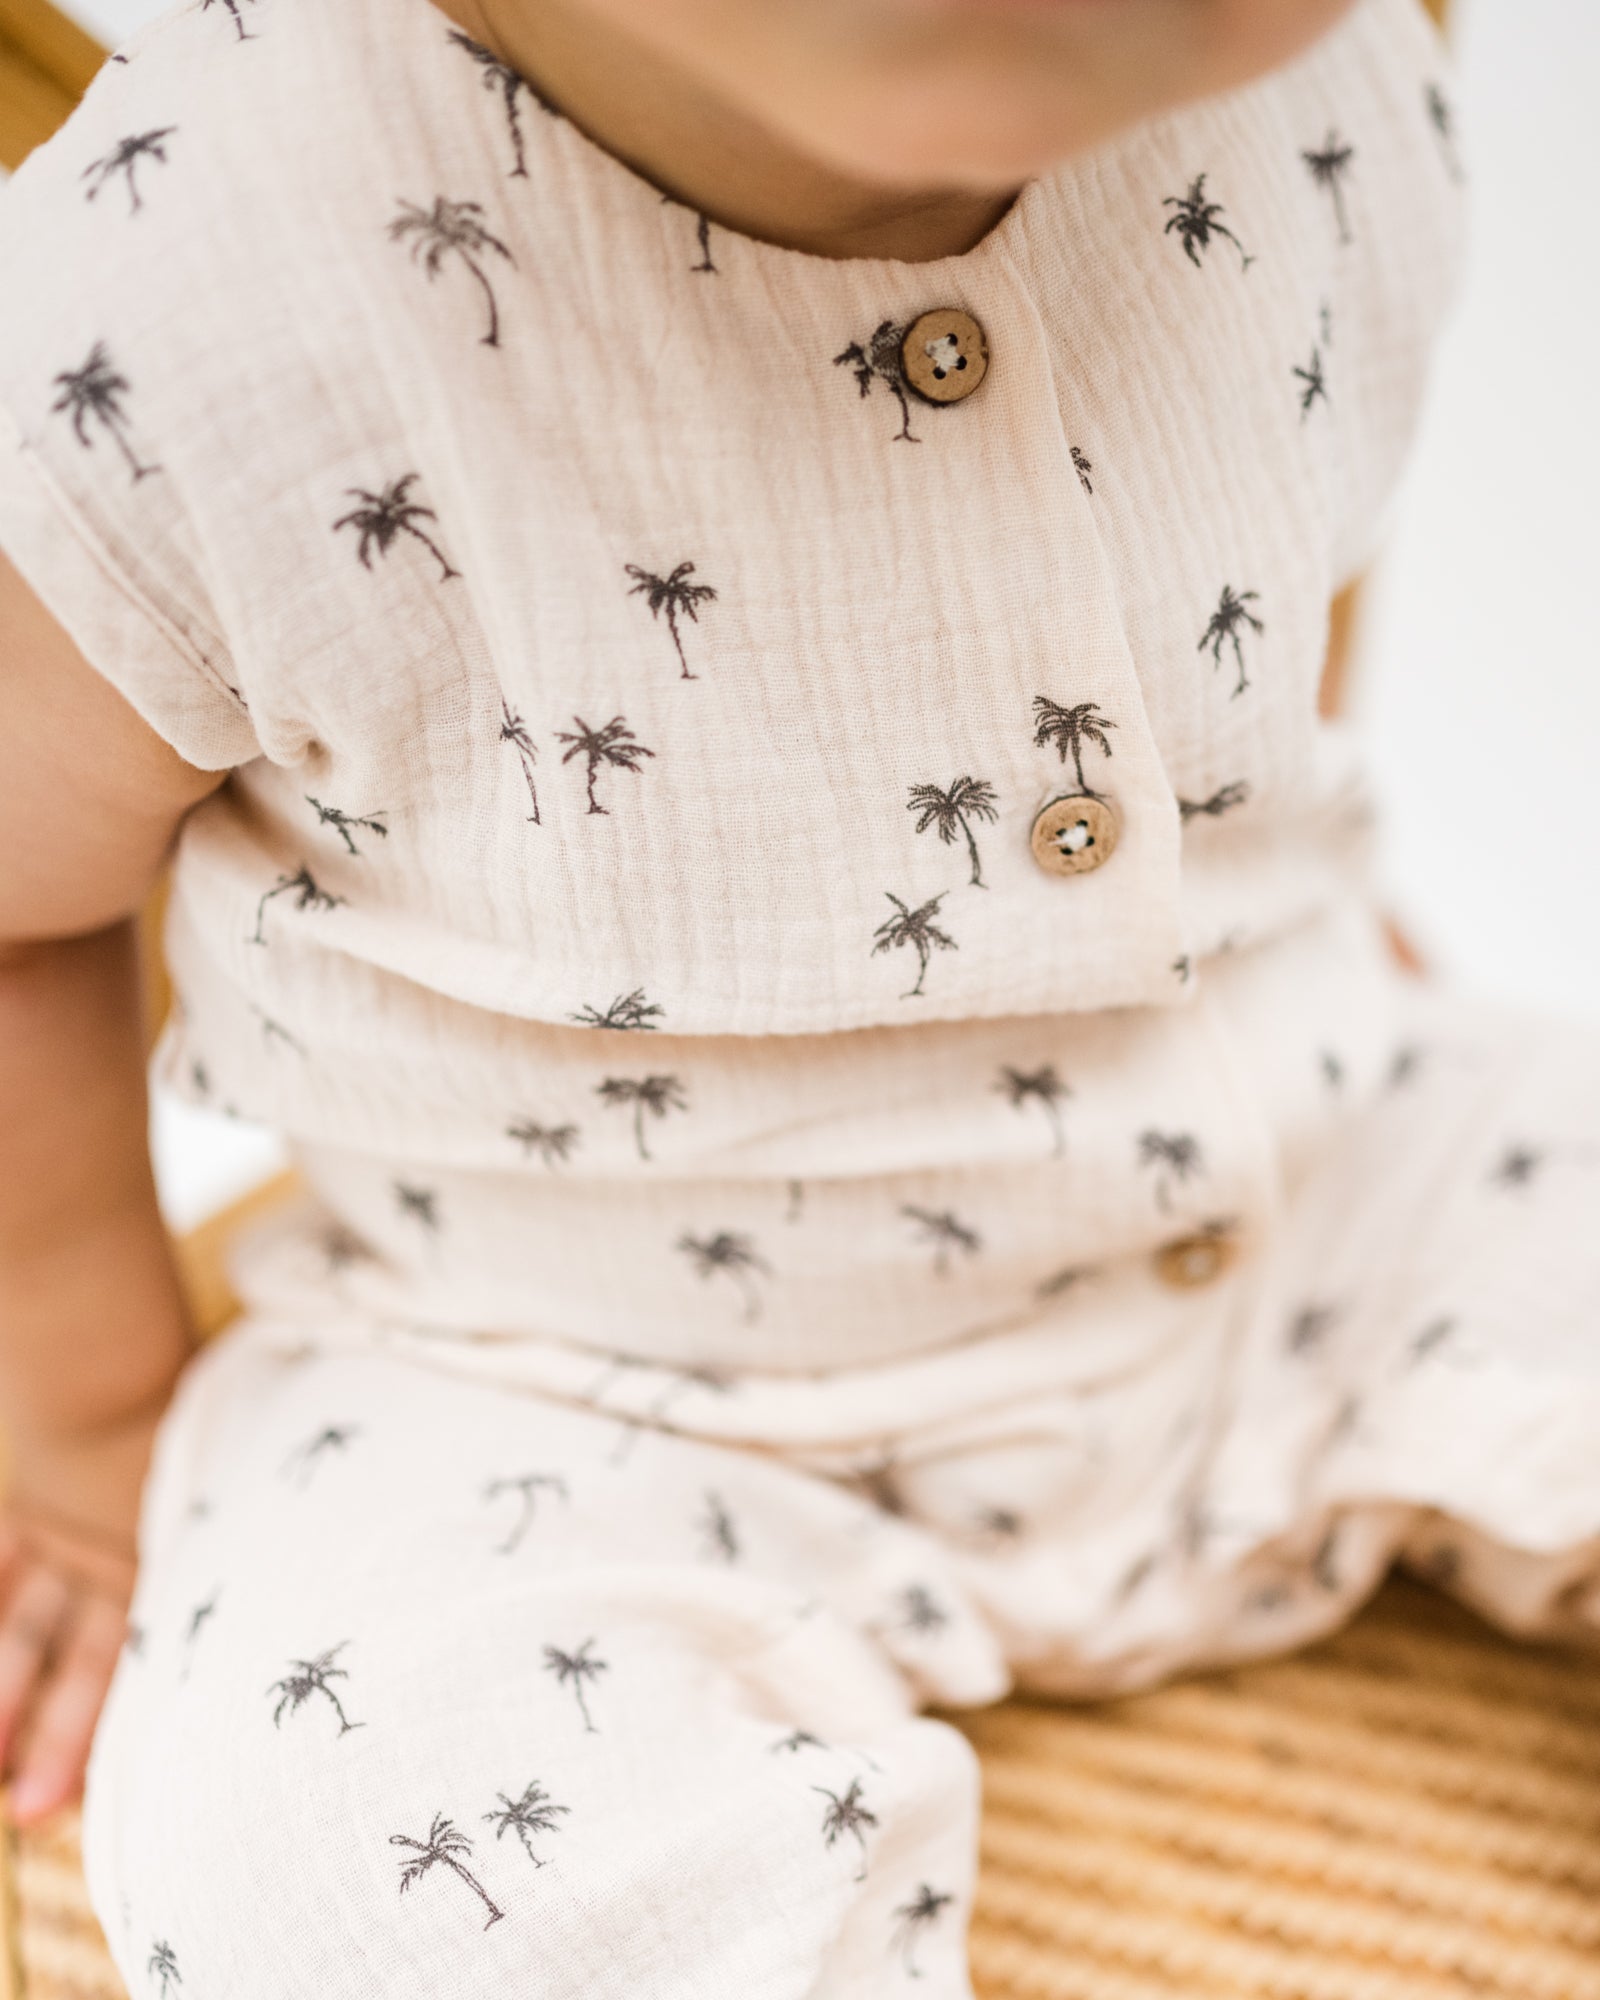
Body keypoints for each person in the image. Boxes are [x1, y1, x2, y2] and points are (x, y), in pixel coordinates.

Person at [1, 0, 1596, 1990]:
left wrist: (1314, 917)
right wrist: (84, 1439)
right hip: (568, 1368)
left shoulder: (1339, 83)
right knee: (344, 1877)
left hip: (1320, 1160)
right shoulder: (176, 299)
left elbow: (1286, 566)